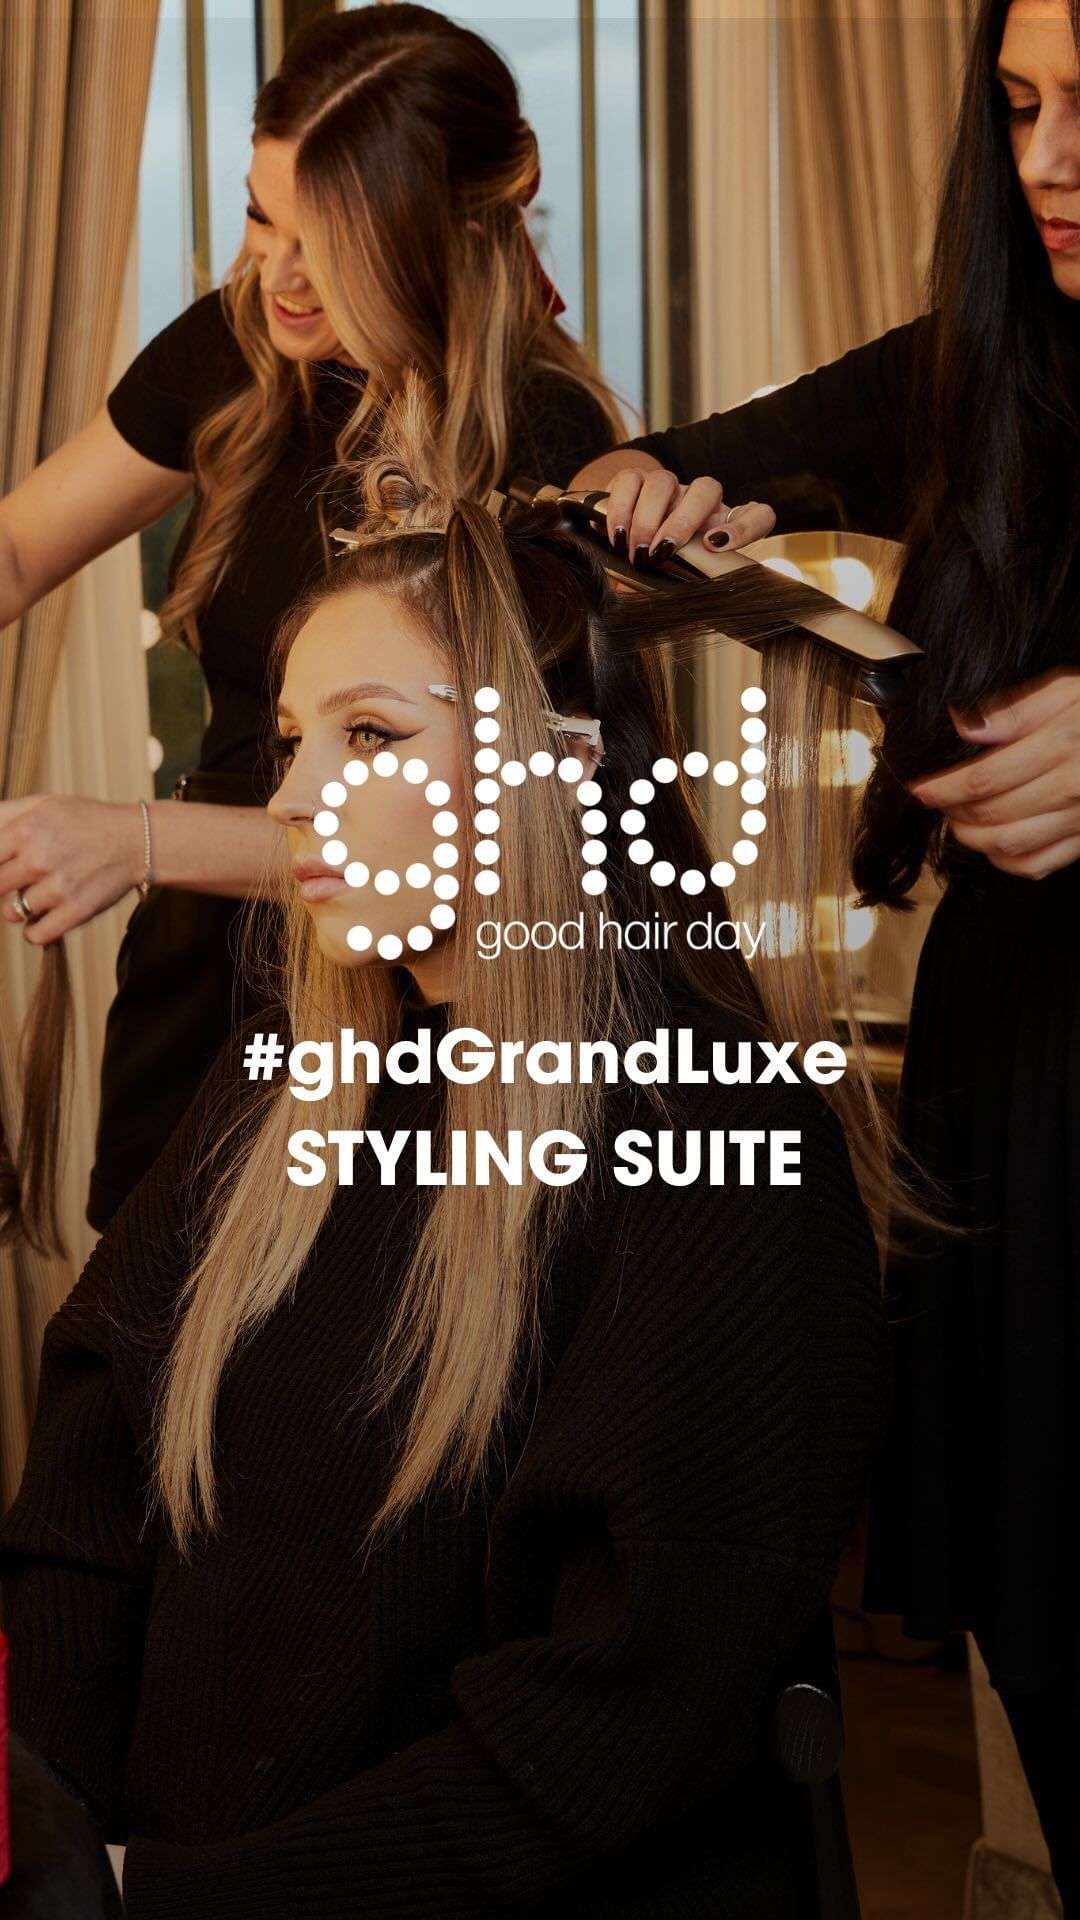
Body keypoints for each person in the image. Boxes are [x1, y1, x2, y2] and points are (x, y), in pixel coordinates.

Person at [0, 425, 889, 1917]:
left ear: (563, 771)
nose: (294, 800)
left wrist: (170, 1900)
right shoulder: (283, 1083)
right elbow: (88, 1492)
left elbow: (608, 1721)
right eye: (295, 740)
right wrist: (56, 1827)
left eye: (371, 738)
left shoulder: (717, 1155)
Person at [571, 0, 1080, 1901]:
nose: (1044, 164)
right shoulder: (978, 365)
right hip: (1027, 1093)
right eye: (1016, 110)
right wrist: (648, 506)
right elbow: (626, 488)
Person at [0, 2, 620, 1236]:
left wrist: (141, 841)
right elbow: (18, 548)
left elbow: (486, 832)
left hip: (408, 1009)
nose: (277, 277)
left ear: (441, 232)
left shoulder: (545, 439)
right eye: (259, 217)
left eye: (326, 241)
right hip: (201, 984)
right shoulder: (237, 351)